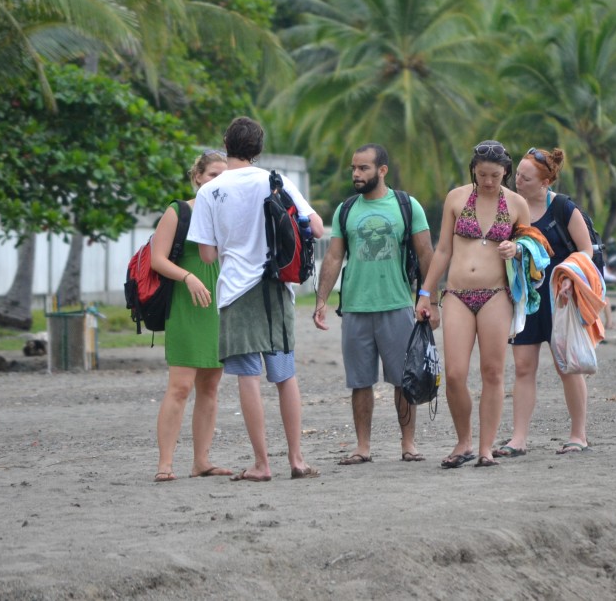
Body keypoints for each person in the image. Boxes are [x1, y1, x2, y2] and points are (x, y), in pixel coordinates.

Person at [188, 116, 325, 482]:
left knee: (247, 376)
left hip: (236, 291)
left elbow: (206, 256)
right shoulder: (274, 180)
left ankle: (262, 464)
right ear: (258, 149)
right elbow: (317, 227)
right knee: (285, 375)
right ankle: (296, 460)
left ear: (226, 143)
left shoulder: (209, 192)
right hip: (277, 287)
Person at [313, 144, 435, 465]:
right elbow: (335, 256)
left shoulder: (408, 206)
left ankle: (408, 444)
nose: (356, 174)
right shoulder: (346, 209)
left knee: (403, 379)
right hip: (355, 308)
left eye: (364, 168)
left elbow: (426, 254)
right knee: (360, 382)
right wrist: (321, 299)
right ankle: (362, 447)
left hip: (396, 304)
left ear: (382, 170)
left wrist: (429, 298)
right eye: (354, 168)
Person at [415, 141, 531, 468]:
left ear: (506, 172)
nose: (488, 181)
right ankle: (463, 440)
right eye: (482, 174)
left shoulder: (517, 204)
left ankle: (485, 448)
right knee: (454, 373)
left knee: (493, 372)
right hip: (456, 294)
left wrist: (517, 249)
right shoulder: (457, 197)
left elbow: (535, 248)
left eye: (495, 175)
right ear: (473, 171)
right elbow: (442, 251)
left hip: (496, 293)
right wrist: (426, 294)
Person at [496, 148, 593, 458]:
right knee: (523, 367)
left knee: (567, 367)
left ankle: (579, 435)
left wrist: (569, 278)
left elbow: (587, 250)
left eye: (525, 178)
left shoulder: (563, 208)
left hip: (560, 297)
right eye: (517, 175)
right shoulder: (509, 207)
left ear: (546, 181)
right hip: (525, 298)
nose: (517, 182)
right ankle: (518, 439)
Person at [151, 150, 229, 483]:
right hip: (186, 304)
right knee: (180, 387)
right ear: (197, 176)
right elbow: (157, 259)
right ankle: (165, 463)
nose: (218, 182)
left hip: (220, 304)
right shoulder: (178, 211)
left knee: (210, 387)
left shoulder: (229, 214)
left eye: (224, 177)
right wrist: (188, 276)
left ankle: (201, 460)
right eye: (213, 175)